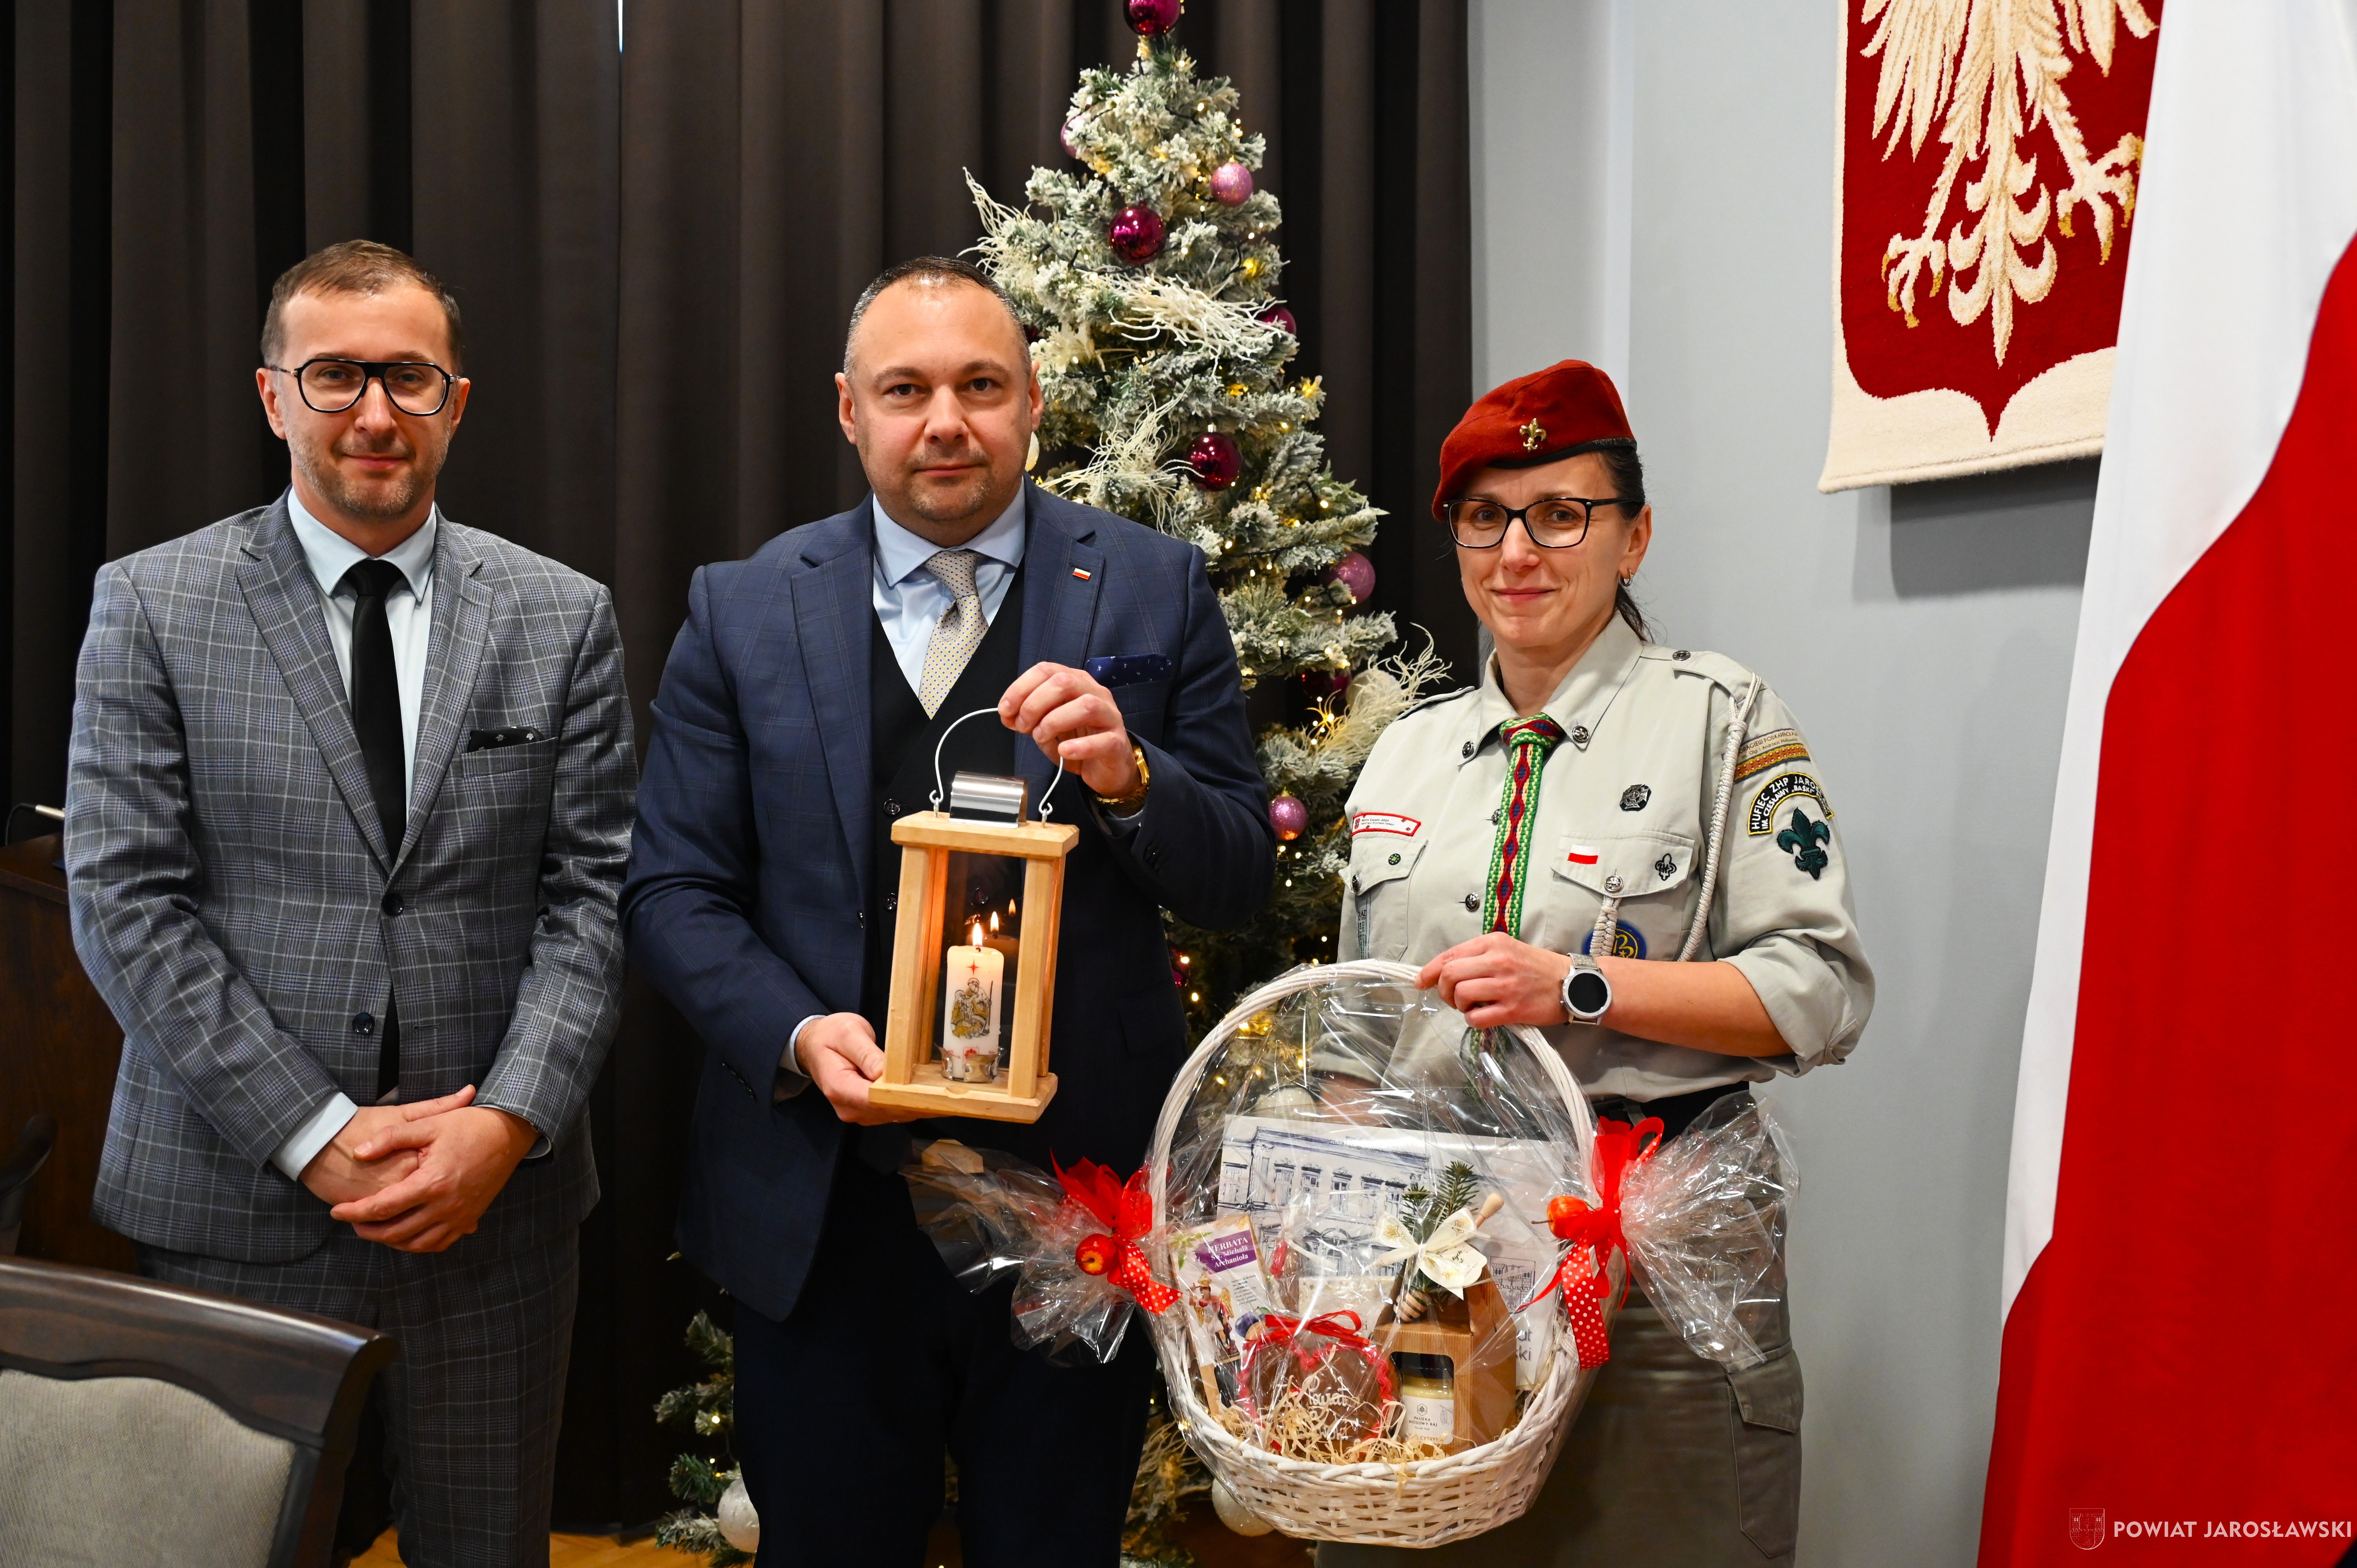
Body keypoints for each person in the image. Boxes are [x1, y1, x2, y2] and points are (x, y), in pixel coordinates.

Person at [620, 256, 1272, 1567]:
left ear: (1032, 402)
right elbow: (673, 889)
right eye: (905, 390)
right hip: (824, 1208)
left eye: (980, 386)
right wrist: (799, 1036)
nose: (946, 422)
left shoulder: (1153, 586)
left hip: (1075, 1202)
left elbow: (1239, 879)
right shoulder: (743, 607)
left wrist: (1133, 778)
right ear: (848, 410)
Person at [64, 240, 635, 1568]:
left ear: (457, 402)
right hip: (233, 1201)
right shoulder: (152, 604)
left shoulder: (561, 615)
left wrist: (506, 1124)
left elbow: (597, 896)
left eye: (409, 378)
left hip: (490, 1216)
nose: (375, 412)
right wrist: (312, 1133)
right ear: (275, 397)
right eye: (336, 376)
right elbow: (126, 900)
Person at [1321, 360, 1872, 1567]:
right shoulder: (1406, 752)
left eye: (1561, 515)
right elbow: (1355, 1039)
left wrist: (1578, 986)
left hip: (1657, 1272)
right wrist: (1333, 1241)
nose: (1518, 552)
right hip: (1440, 1261)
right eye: (1485, 519)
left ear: (1635, 538)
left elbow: (1821, 991)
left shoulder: (1722, 720)